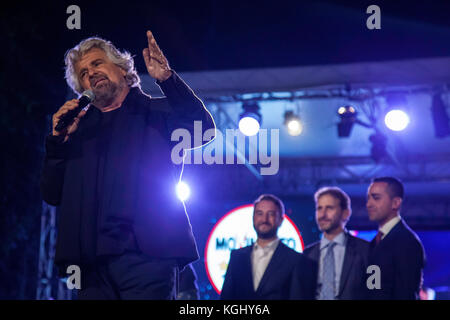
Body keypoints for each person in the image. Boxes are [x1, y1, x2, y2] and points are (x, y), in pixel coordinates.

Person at [40, 32, 215, 299]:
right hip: (91, 267)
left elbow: (203, 131)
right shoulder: (79, 131)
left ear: (122, 69)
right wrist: (58, 143)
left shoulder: (158, 113)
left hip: (148, 258)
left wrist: (167, 79)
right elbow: (52, 194)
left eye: (97, 63)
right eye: (84, 72)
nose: (91, 73)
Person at [220, 194, 315, 300]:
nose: (264, 219)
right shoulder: (236, 257)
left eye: (271, 214)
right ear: (253, 218)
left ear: (281, 220)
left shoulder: (295, 260)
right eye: (259, 213)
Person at [303, 187, 370, 300]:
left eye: (329, 208)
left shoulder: (366, 250)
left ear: (345, 213)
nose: (323, 214)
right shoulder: (307, 254)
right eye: (319, 208)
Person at [366, 177, 425, 300]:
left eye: (376, 198)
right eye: (368, 198)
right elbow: (373, 288)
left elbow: (406, 294)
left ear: (396, 203)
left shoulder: (407, 242)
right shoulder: (375, 242)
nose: (369, 204)